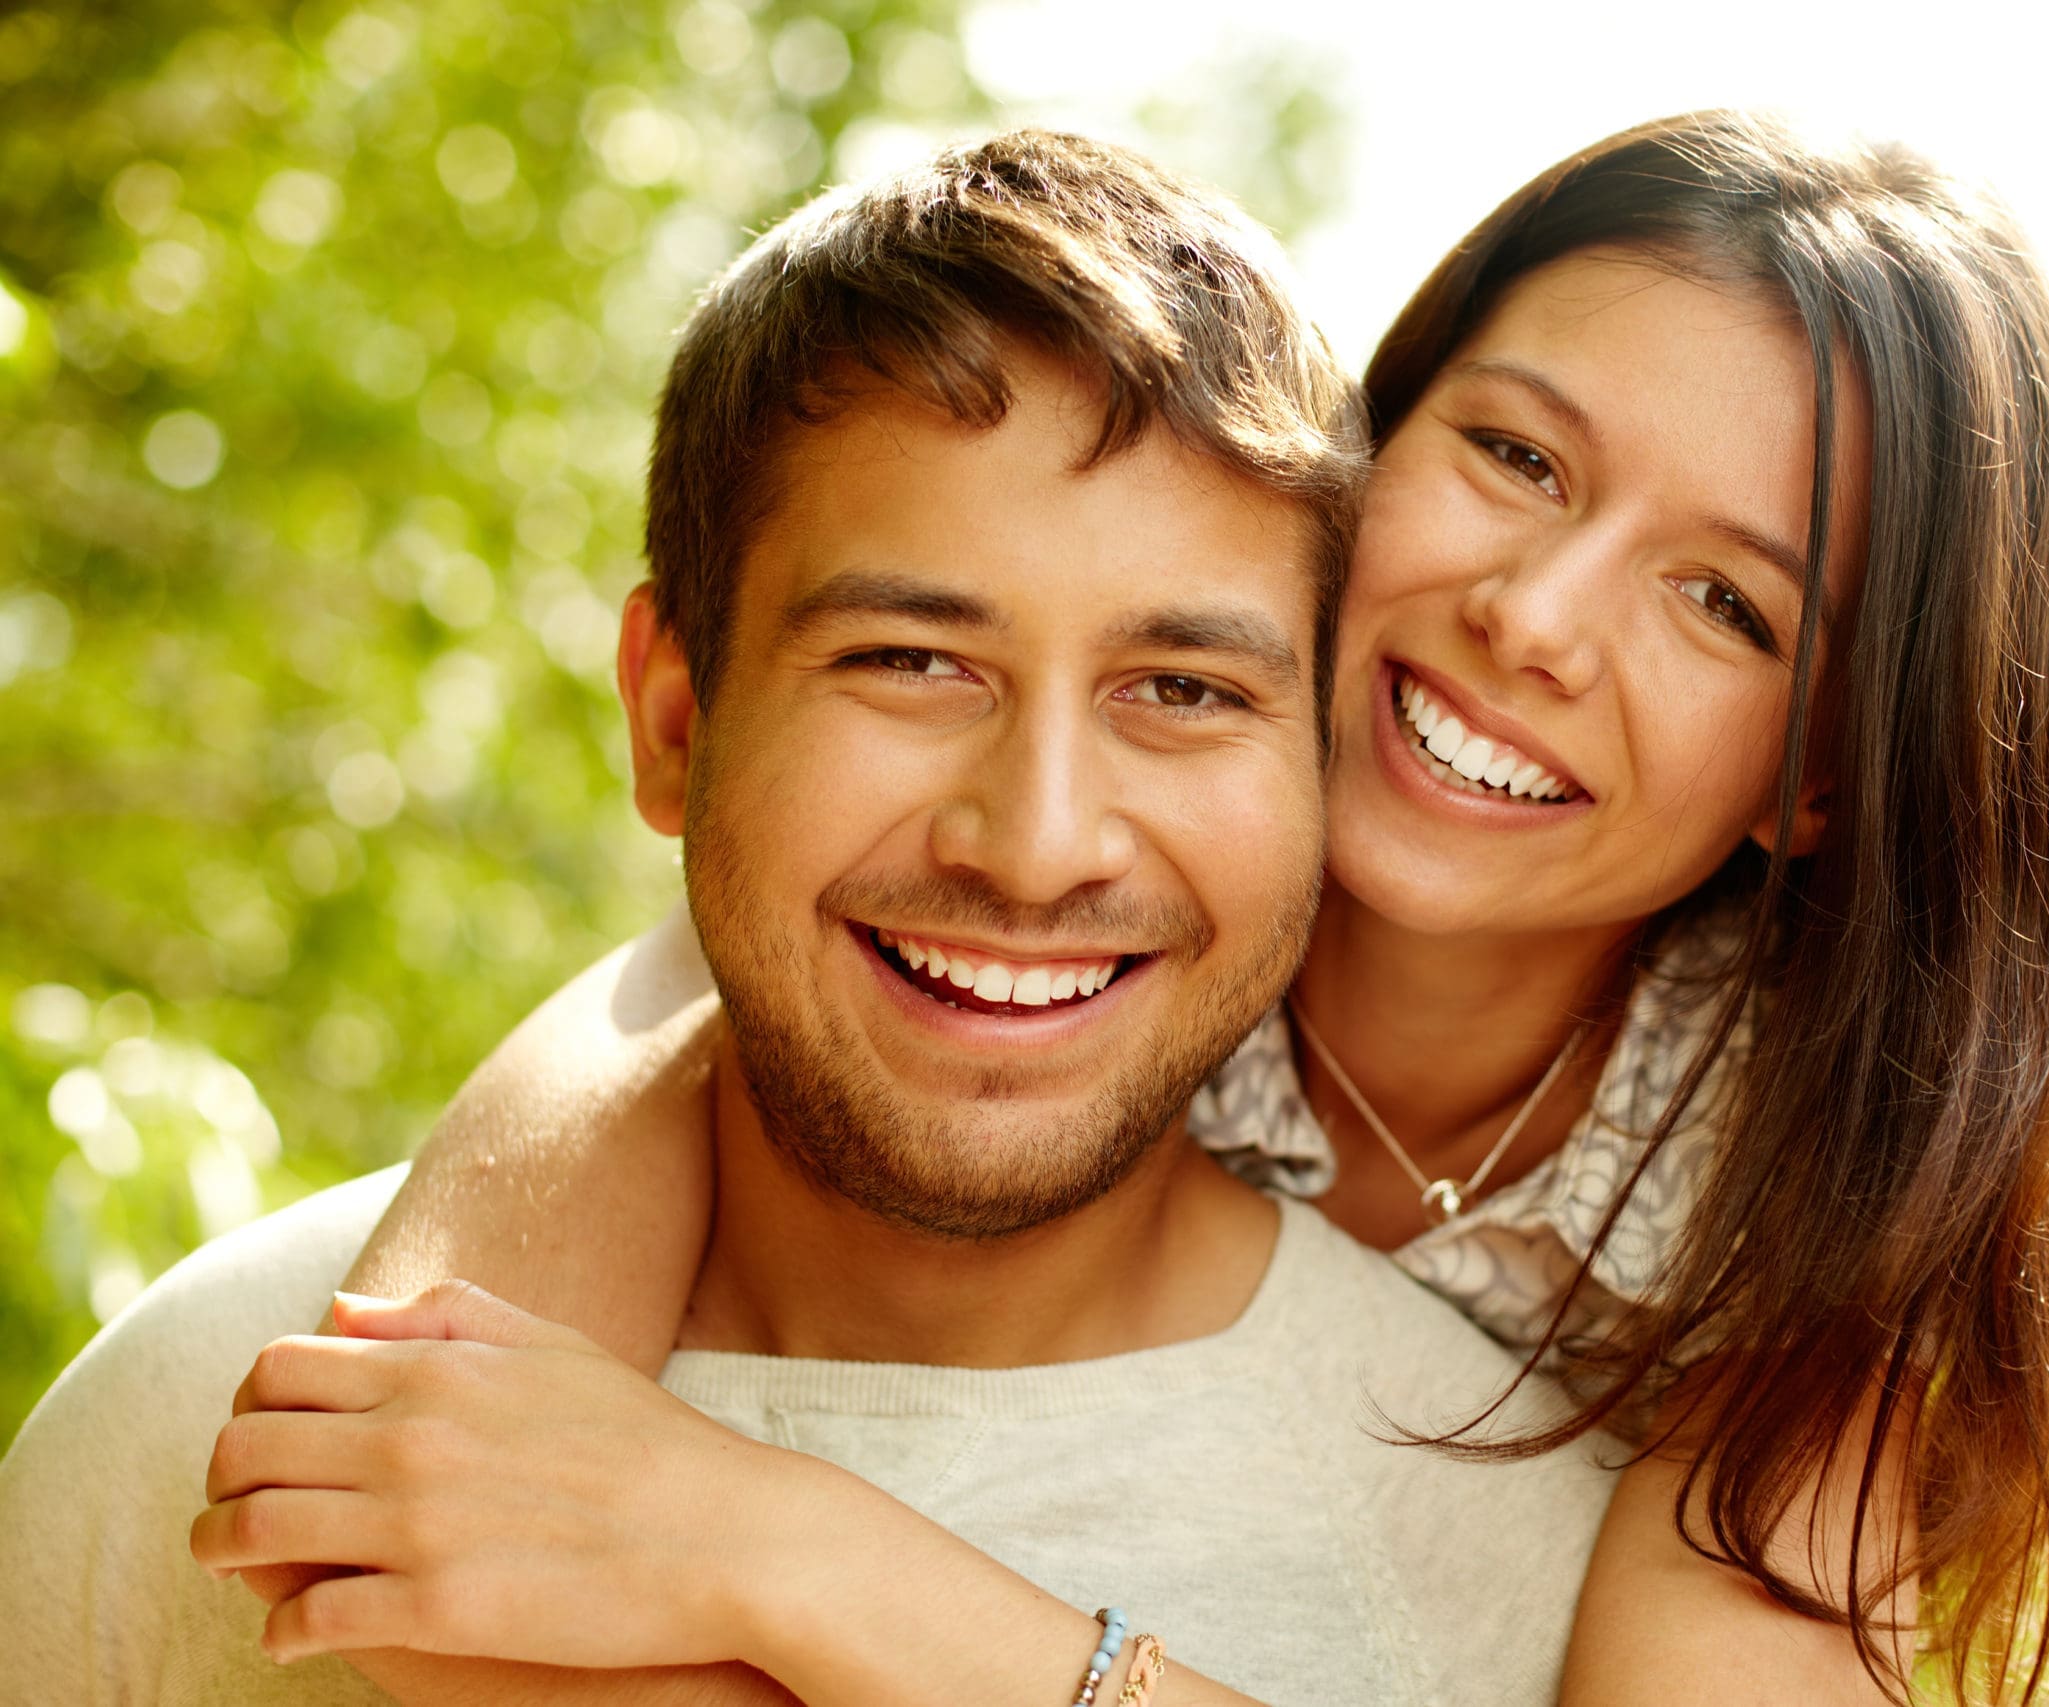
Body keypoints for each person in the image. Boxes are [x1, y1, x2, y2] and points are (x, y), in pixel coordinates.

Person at [0, 131, 1621, 1707]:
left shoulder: (1517, 1567)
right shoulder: (193, 1417)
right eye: (912, 663)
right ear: (674, 720)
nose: (1038, 845)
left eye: (1182, 690)